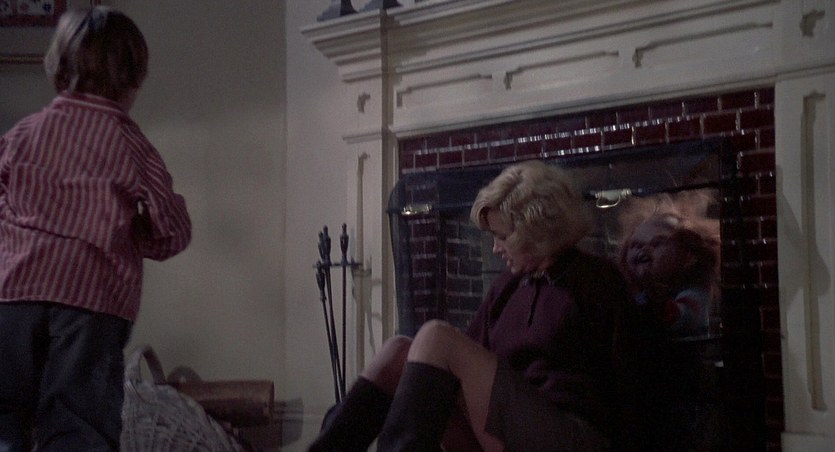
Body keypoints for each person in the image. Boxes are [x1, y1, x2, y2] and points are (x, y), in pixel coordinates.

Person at [309, 160, 634, 451]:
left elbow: (634, 383)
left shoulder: (596, 280)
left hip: (570, 434)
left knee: (435, 335)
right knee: (398, 350)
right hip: (507, 426)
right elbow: (456, 366)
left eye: (502, 237)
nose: (495, 249)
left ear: (537, 231)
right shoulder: (508, 287)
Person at [0, 6, 191, 451]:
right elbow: (172, 228)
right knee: (78, 424)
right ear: (133, 82)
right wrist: (133, 234)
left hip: (14, 295)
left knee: (5, 417)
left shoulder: (24, 134)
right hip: (90, 301)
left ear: (56, 69)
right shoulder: (128, 142)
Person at [616, 196, 723, 451]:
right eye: (636, 245)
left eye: (658, 243)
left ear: (688, 256)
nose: (643, 250)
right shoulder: (626, 292)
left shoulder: (695, 292)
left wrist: (644, 295)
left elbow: (679, 318)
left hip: (682, 398)